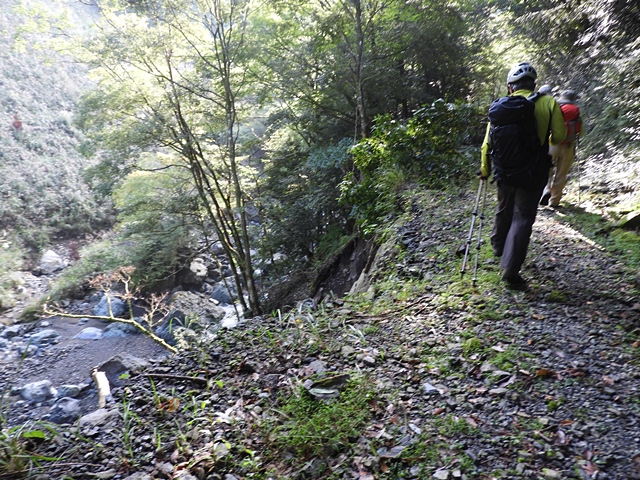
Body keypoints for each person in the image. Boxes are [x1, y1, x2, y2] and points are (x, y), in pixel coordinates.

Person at [480, 62, 566, 288]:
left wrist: (485, 169)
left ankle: (498, 247)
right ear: (533, 84)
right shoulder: (549, 103)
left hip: (504, 169)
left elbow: (487, 143)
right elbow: (558, 137)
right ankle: (510, 268)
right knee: (523, 216)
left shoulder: (501, 107)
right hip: (533, 171)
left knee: (503, 207)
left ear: (511, 87)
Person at [540, 89, 584, 207]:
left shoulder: (555, 108)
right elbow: (581, 131)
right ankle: (554, 201)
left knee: (546, 170)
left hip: (552, 144)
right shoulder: (576, 112)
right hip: (568, 146)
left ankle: (546, 190)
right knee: (561, 174)